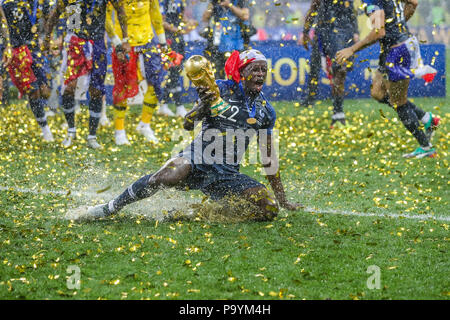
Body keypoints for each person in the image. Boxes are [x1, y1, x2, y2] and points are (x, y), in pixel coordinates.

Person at [85, 50, 302, 221]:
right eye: (255, 69)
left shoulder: (266, 111)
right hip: (197, 158)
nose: (261, 74)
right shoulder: (219, 89)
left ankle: (198, 212)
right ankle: (110, 208)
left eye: (264, 70)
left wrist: (283, 200)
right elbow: (188, 124)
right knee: (167, 175)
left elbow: (269, 158)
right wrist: (204, 107)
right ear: (242, 72)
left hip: (227, 173)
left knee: (269, 210)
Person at [336, 0, 440, 158]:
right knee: (377, 92)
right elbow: (413, 3)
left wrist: (352, 49)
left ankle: (426, 147)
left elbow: (379, 32)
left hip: (398, 50)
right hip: (395, 47)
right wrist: (398, 25)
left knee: (399, 102)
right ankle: (427, 118)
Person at [44, 0, 129, 149]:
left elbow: (120, 10)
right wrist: (46, 38)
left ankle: (92, 136)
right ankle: (71, 131)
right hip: (75, 42)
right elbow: (55, 13)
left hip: (97, 44)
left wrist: (125, 40)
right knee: (69, 88)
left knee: (96, 90)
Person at [105, 0, 170, 145]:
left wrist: (162, 41)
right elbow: (106, 17)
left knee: (155, 83)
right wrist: (117, 42)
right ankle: (119, 131)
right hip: (124, 45)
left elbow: (155, 13)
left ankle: (145, 125)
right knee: (122, 86)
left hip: (148, 42)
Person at [0, 0, 54, 142]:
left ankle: (42, 110)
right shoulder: (8, 4)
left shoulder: (42, 2)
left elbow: (50, 18)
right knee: (33, 91)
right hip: (18, 49)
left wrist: (48, 39)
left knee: (46, 90)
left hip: (35, 48)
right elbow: (2, 23)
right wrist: (6, 45)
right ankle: (45, 129)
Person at [303, 0, 359, 128]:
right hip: (327, 32)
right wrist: (306, 31)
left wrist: (355, 32)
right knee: (332, 69)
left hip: (345, 31)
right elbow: (313, 8)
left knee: (341, 71)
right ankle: (333, 110)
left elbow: (351, 12)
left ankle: (338, 111)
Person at [161, 0, 198, 118]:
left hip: (179, 40)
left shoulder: (179, 1)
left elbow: (182, 17)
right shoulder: (163, 2)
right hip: (168, 39)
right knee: (173, 71)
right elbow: (161, 22)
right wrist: (176, 30)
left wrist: (190, 22)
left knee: (175, 71)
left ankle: (164, 104)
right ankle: (178, 105)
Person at [202, 0, 250, 79]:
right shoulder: (215, 2)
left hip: (236, 44)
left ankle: (235, 90)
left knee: (236, 74)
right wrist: (213, 6)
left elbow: (245, 16)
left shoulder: (239, 1)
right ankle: (220, 90)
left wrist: (230, 5)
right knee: (217, 74)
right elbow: (204, 18)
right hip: (218, 44)